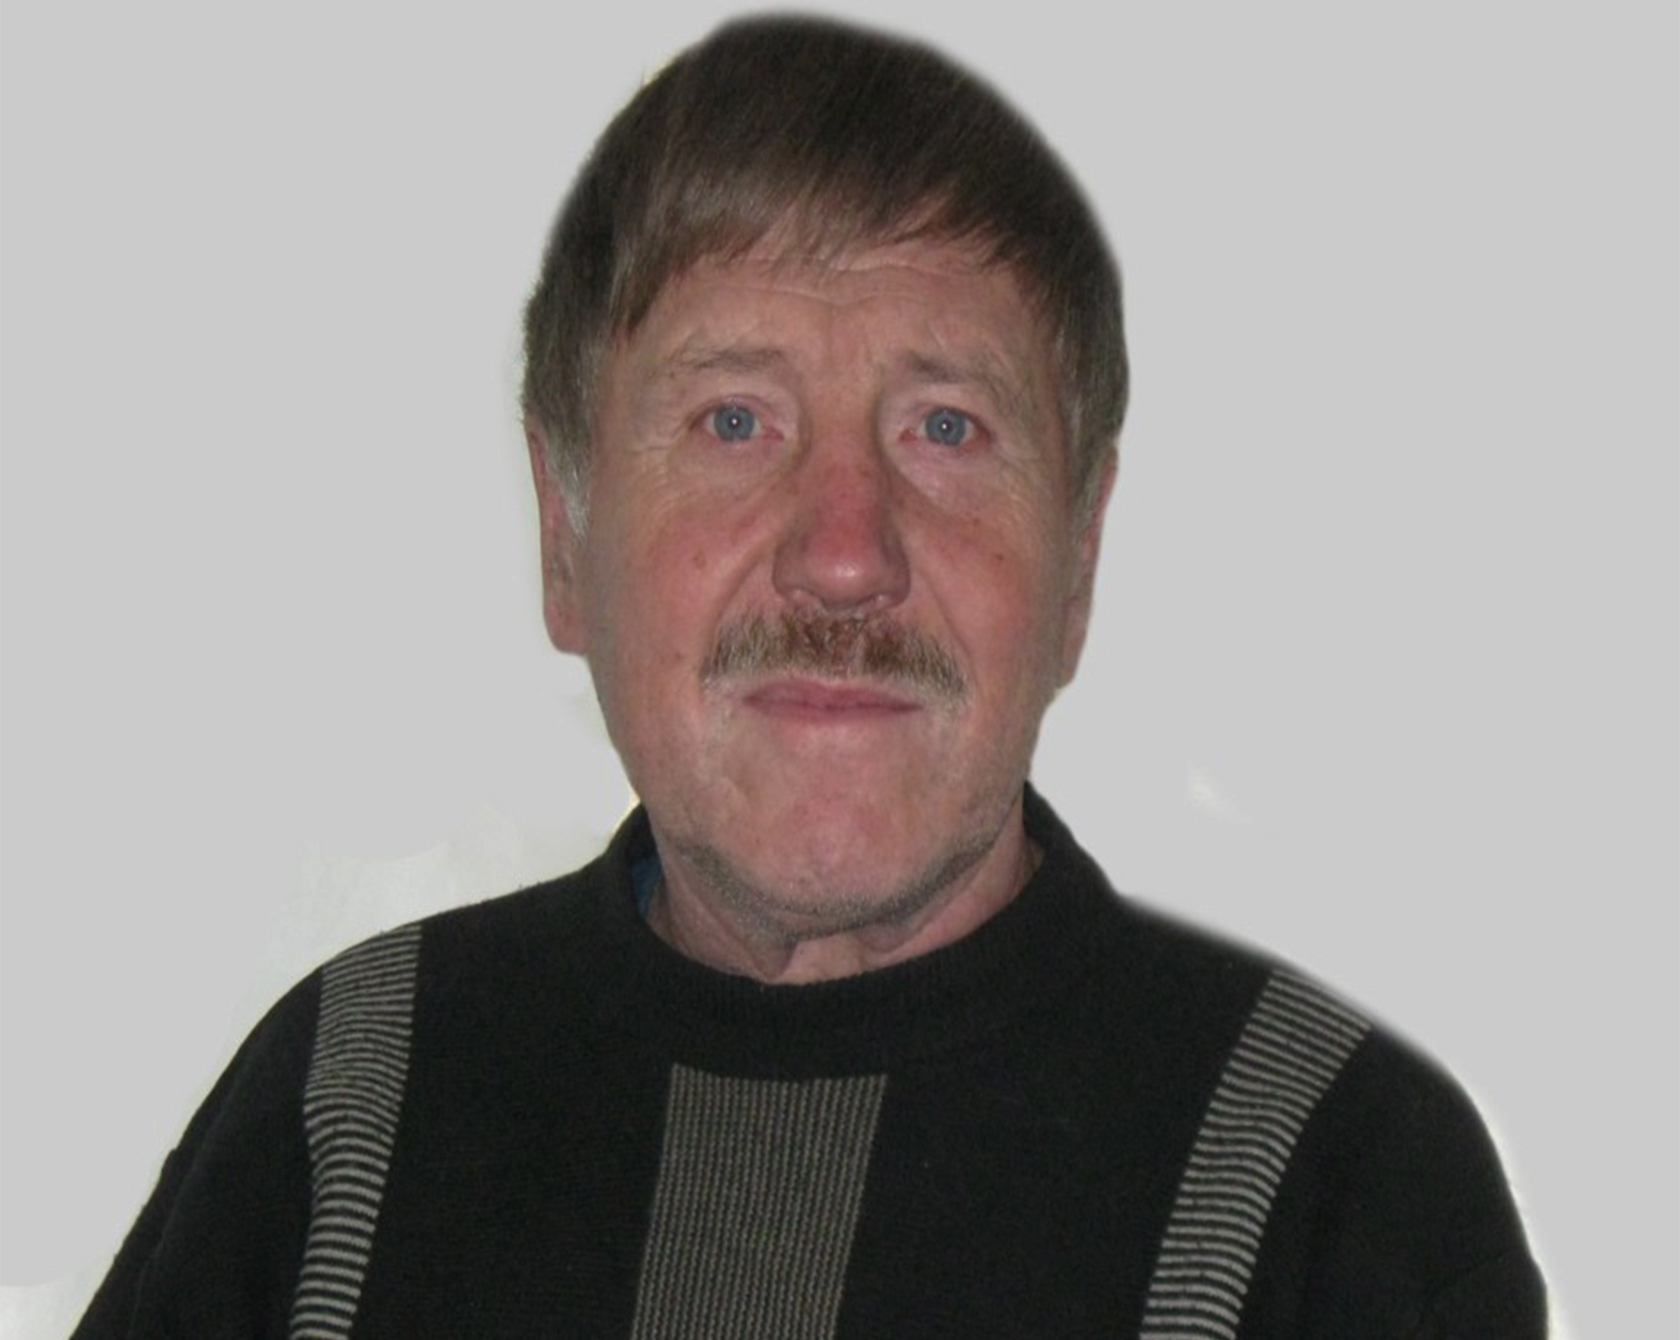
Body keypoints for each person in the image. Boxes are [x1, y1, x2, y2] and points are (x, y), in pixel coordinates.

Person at [72, 15, 1546, 1337]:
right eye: (733, 421)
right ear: (565, 537)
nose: (845, 557)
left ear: (1079, 565)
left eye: (946, 430)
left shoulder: (1333, 1191)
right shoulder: (344, 1113)